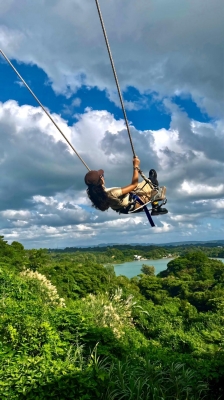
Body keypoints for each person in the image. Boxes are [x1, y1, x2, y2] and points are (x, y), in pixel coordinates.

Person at [84, 157, 168, 215]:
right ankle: (155, 208)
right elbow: (134, 185)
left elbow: (95, 185)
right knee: (153, 182)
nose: (103, 177)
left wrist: (92, 177)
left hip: (127, 203)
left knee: (150, 181)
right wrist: (135, 166)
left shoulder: (96, 193)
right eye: (102, 176)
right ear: (101, 180)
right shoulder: (111, 193)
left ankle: (155, 207)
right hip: (136, 203)